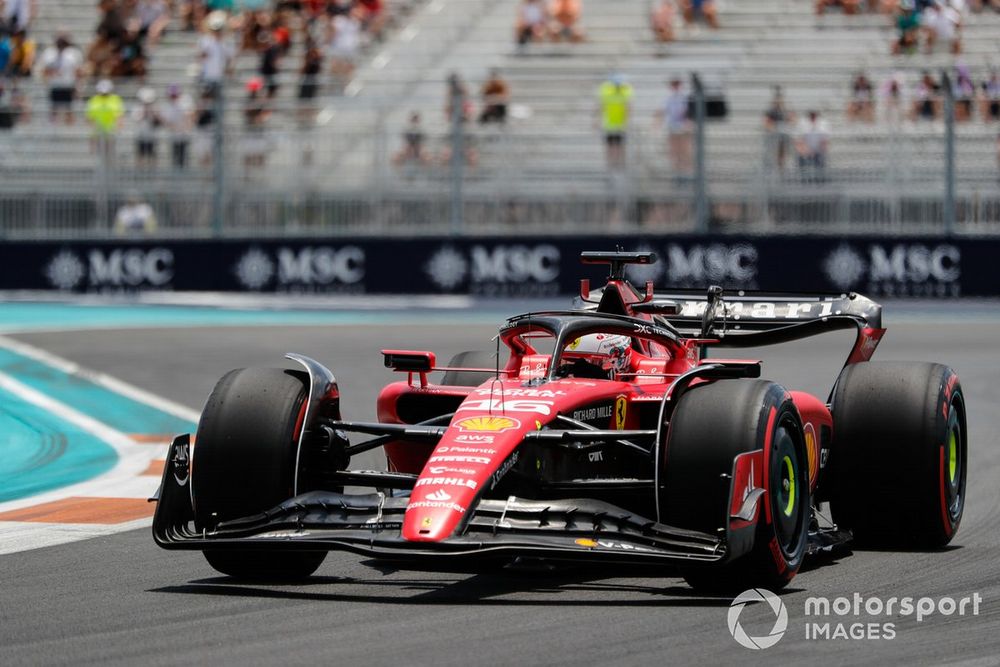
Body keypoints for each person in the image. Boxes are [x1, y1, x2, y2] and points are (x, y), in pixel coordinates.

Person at [40, 32, 82, 125]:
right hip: (55, 85)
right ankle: (53, 129)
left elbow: (78, 71)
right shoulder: (49, 53)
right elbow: (44, 71)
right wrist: (50, 75)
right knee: (53, 110)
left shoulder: (73, 53)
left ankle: (69, 131)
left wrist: (78, 86)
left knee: (69, 110)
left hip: (68, 85)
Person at [656, 77, 692, 176]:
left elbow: (689, 113)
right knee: (674, 151)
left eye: (677, 85)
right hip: (672, 127)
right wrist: (657, 125)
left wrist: (688, 124)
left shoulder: (685, 98)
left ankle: (686, 172)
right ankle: (677, 173)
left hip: (684, 128)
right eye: (674, 85)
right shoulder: (668, 98)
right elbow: (661, 111)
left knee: (685, 151)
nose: (676, 87)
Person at [597, 74, 632, 169]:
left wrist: (627, 122)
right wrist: (598, 121)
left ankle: (620, 163)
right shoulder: (608, 94)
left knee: (620, 145)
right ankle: (611, 164)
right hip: (610, 124)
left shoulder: (624, 94)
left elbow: (627, 109)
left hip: (620, 125)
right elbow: (602, 108)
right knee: (611, 145)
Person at [87, 79, 124, 162]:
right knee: (100, 153)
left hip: (111, 130)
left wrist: (119, 128)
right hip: (98, 131)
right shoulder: (94, 100)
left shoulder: (115, 99)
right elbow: (90, 117)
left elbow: (119, 116)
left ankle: (109, 169)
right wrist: (92, 135)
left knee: (110, 152)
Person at [159, 84, 194, 169]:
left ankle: (182, 176)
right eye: (172, 95)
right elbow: (165, 120)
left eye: (175, 95)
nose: (173, 97)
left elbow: (189, 116)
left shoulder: (185, 101)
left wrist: (185, 127)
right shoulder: (167, 106)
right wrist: (174, 127)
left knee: (183, 158)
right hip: (174, 135)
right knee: (175, 158)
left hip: (184, 134)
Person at [198, 10, 234, 92]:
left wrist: (229, 69)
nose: (217, 32)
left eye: (219, 30)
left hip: (220, 76)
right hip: (207, 76)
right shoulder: (206, 40)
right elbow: (201, 56)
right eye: (215, 30)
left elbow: (229, 58)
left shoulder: (226, 42)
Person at [763, 86, 794, 172]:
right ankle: (776, 164)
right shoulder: (771, 110)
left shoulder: (786, 110)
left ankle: (783, 163)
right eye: (777, 100)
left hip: (784, 133)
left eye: (780, 100)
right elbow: (766, 122)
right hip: (775, 134)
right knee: (776, 149)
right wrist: (772, 127)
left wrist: (788, 122)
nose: (779, 102)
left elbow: (792, 119)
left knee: (783, 148)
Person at [795, 110, 829, 183]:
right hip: (806, 149)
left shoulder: (823, 123)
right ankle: (804, 178)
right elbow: (800, 140)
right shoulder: (802, 123)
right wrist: (805, 150)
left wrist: (818, 150)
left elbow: (824, 141)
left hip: (818, 149)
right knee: (801, 157)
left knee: (820, 158)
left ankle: (820, 179)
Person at [133, 87, 159, 168]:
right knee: (140, 155)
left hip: (151, 136)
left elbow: (158, 121)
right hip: (141, 135)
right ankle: (140, 173)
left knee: (152, 156)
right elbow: (136, 119)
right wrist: (144, 113)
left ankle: (152, 173)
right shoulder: (137, 108)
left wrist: (152, 113)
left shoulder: (154, 108)